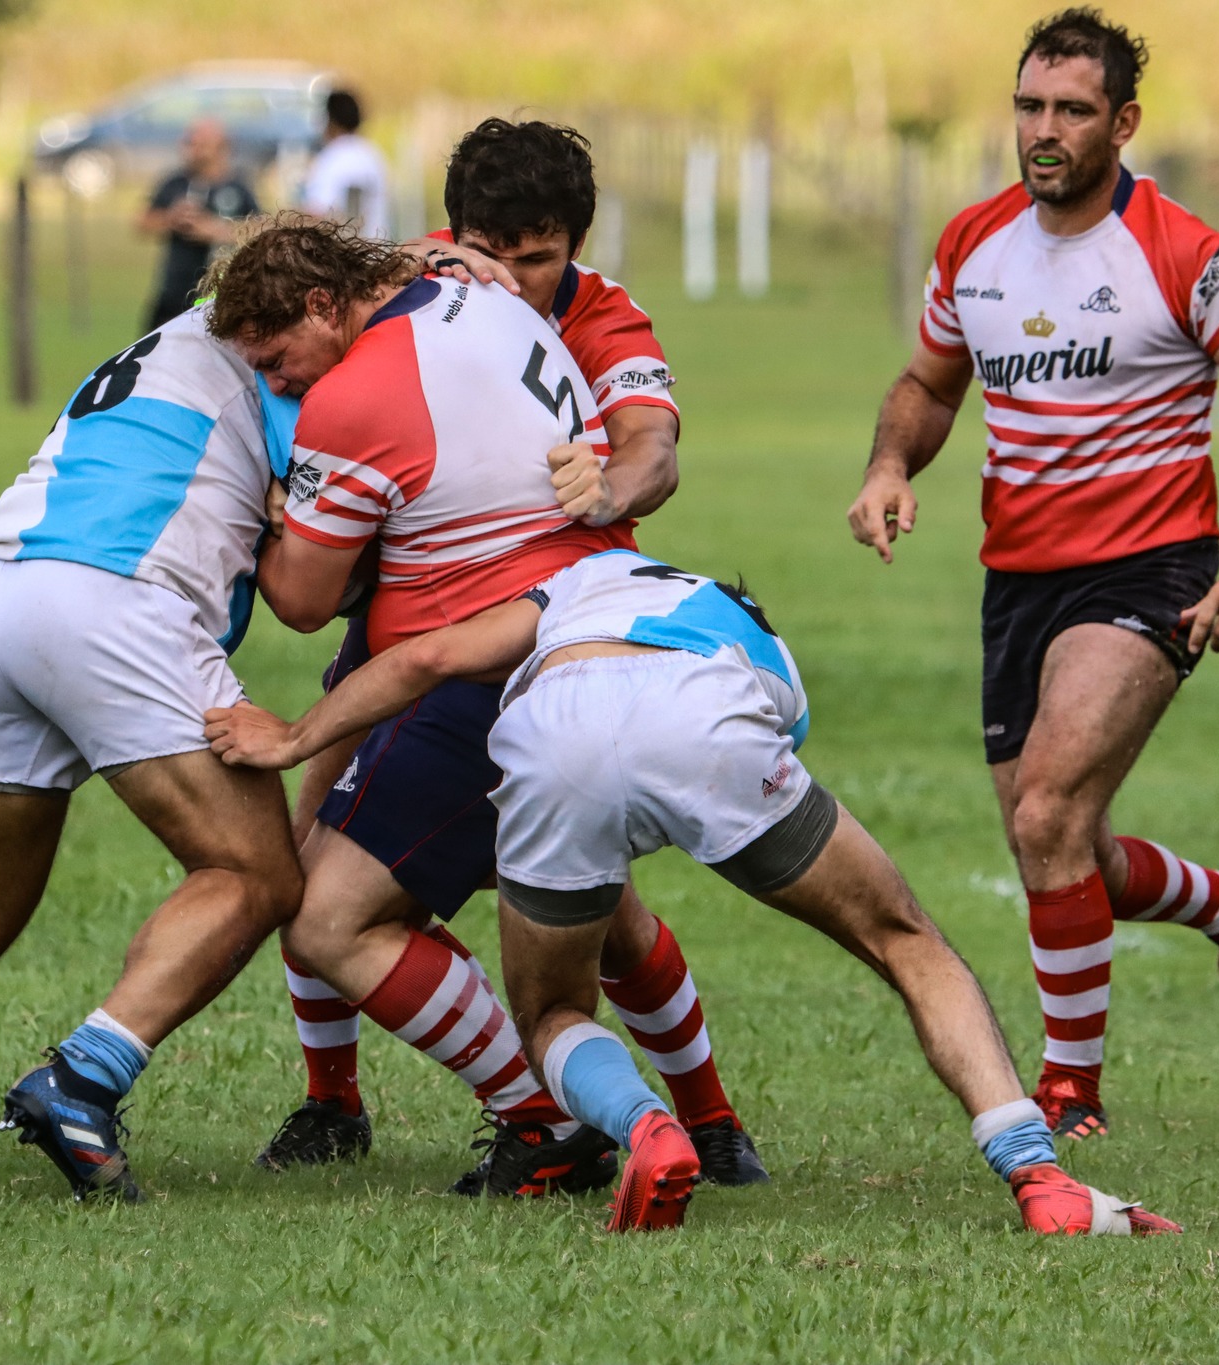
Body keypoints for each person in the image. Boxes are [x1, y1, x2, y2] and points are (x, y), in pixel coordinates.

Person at [205, 548, 1182, 1238]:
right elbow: (743, 766)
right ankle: (1035, 1175)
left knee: (549, 1007)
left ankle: (643, 1127)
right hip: (707, 715)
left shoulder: (577, 582)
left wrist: (293, 738)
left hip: (553, 729)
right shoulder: (763, 640)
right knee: (905, 942)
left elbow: (428, 658)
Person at [846, 8, 1219, 1140]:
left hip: (1150, 566)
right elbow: (926, 387)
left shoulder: (1182, 250)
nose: (1044, 130)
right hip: (1015, 580)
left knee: (1050, 815)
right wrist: (887, 463)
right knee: (1055, 845)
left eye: (1071, 110)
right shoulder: (972, 243)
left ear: (1121, 121)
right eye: (1028, 106)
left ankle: (1067, 1101)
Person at [261, 123, 767, 1192]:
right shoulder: (425, 272)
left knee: (590, 911)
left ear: (572, 247)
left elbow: (651, 448)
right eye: (489, 244)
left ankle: (681, 1121)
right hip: (406, 604)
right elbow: (330, 316)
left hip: (533, 627)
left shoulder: (601, 312)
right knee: (299, 848)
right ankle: (330, 1101)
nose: (512, 274)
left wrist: (609, 489)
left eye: (535, 256)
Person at [0, 304, 304, 1203]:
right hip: (113, 591)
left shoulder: (175, 335)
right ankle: (83, 1079)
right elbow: (311, 579)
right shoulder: (300, 360)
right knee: (257, 870)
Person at [206, 217, 660, 1198]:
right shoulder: (470, 289)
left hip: (491, 668)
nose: (280, 388)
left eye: (279, 362)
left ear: (325, 307)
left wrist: (272, 508)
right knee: (595, 917)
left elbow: (301, 601)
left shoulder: (355, 392)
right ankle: (695, 1124)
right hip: (606, 620)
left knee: (324, 917)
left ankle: (544, 1124)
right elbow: (405, 256)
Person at [140, 118, 262, 331]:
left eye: (201, 144)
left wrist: (214, 230)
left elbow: (260, 230)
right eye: (190, 143)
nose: (193, 150)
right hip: (174, 294)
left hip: (220, 297)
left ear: (221, 147)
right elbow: (143, 221)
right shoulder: (176, 183)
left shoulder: (238, 187)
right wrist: (171, 219)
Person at [300, 89, 390, 238]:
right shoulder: (373, 155)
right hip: (377, 250)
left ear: (329, 119)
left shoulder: (331, 158)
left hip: (341, 255)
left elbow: (317, 213)